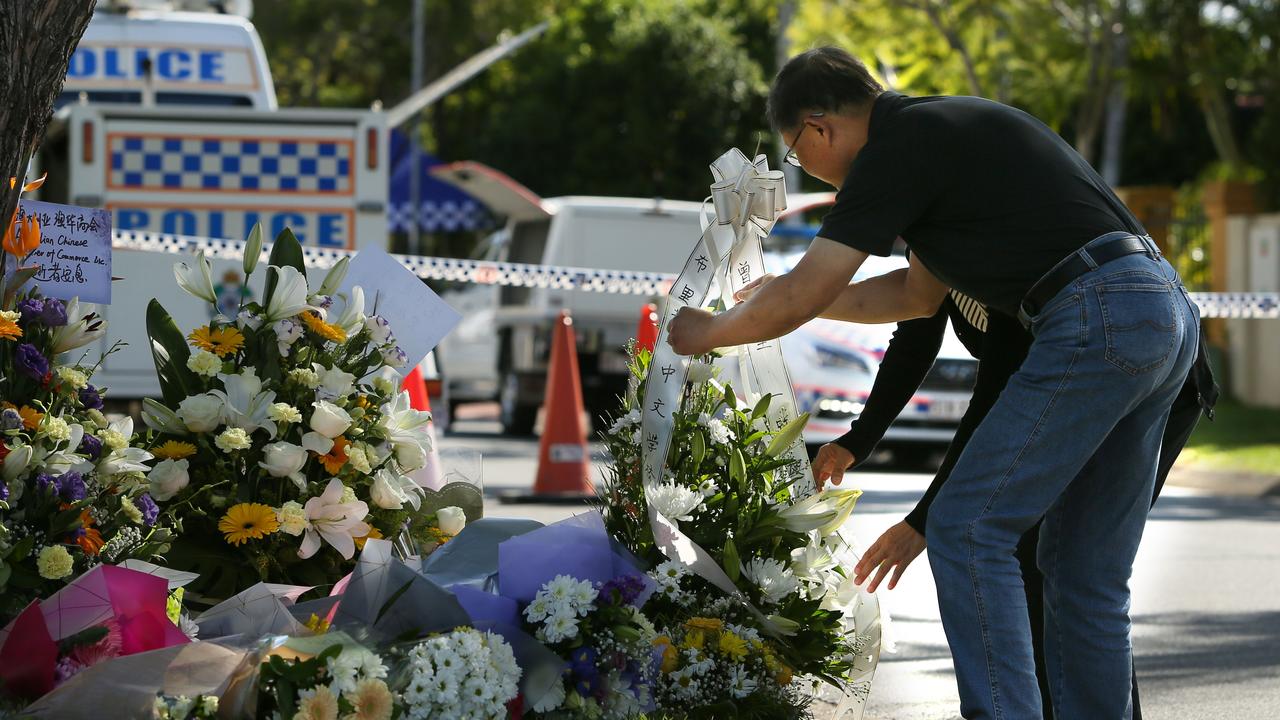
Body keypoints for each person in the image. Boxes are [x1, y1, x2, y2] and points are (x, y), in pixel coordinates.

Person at [666, 46, 1200, 718]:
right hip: (1159, 312)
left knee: (967, 527)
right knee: (1082, 573)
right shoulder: (942, 141)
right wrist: (789, 298)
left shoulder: (897, 147)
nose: (806, 166)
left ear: (818, 124)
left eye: (797, 153)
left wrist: (706, 331)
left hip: (1097, 317)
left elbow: (812, 291)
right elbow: (914, 302)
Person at [734, 273, 1217, 719]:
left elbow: (996, 398)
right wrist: (856, 442)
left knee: (1069, 566)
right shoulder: (933, 238)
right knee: (1044, 562)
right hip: (1102, 369)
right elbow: (915, 338)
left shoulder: (985, 238)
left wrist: (923, 523)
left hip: (1141, 378)